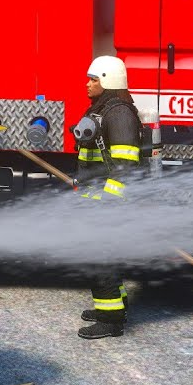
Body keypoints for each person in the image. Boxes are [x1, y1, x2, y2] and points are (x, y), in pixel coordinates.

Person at [73, 55, 144, 340]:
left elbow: (125, 166)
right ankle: (114, 308)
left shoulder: (118, 114)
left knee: (99, 257)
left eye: (94, 79)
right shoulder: (106, 110)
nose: (88, 84)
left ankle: (111, 321)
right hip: (98, 199)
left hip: (108, 202)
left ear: (107, 80)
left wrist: (109, 203)